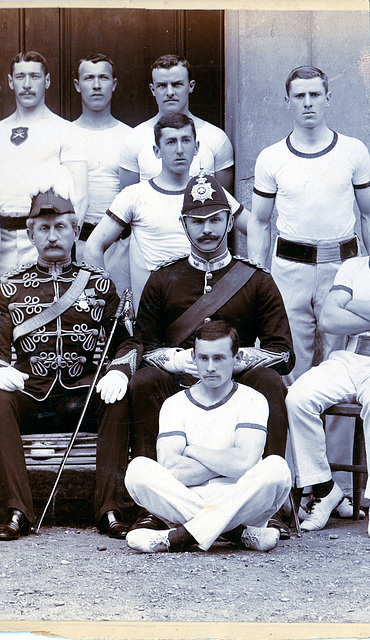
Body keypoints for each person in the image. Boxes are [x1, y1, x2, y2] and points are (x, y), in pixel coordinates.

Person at [127, 171, 295, 538]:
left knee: (270, 380)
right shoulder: (163, 278)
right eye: (197, 222)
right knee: (143, 382)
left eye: (216, 220)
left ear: (230, 221)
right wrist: (175, 359)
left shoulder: (256, 279)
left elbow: (283, 353)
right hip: (180, 380)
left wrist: (235, 362)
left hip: (237, 386)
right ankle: (153, 510)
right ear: (183, 224)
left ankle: (272, 506)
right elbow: (144, 345)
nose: (207, 230)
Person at [247, 65, 370, 513]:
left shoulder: (353, 151)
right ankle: (303, 484)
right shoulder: (271, 157)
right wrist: (259, 277)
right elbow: (259, 222)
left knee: (340, 369)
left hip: (341, 266)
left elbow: (368, 215)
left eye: (315, 94)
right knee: (293, 371)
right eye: (298, 95)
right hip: (289, 269)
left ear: (328, 98)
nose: (308, 103)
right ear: (287, 101)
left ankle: (336, 488)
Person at [0, 186, 142, 541]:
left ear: (76, 232)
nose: (52, 236)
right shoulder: (8, 287)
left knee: (119, 397)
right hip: (30, 394)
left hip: (81, 395)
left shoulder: (100, 284)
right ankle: (16, 509)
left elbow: (127, 339)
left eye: (61, 227)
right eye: (44, 228)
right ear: (30, 233)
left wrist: (120, 370)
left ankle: (110, 508)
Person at [125, 320, 291, 554]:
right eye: (203, 358)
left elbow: (245, 464)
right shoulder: (175, 404)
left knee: (276, 468)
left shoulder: (252, 400)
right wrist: (229, 463)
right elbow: (171, 468)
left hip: (240, 495)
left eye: (219, 358)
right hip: (188, 496)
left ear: (237, 358)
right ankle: (236, 533)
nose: (210, 367)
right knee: (138, 469)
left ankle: (178, 537)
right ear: (193, 357)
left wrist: (192, 451)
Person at [85, 114, 246, 311]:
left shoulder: (209, 192)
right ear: (157, 151)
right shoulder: (134, 195)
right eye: (170, 142)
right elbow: (93, 246)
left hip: (206, 305)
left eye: (186, 140)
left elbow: (255, 226)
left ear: (196, 148)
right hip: (155, 311)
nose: (179, 150)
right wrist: (106, 301)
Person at [286, 254, 370, 534]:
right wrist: (344, 308)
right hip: (350, 357)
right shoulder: (354, 267)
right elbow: (329, 319)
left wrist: (354, 305)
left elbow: (341, 312)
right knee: (297, 398)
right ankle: (325, 487)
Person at [0, 50, 88, 275]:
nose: (27, 84)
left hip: (46, 243)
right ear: (10, 82)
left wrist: (55, 241)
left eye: (35, 76)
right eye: (20, 77)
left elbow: (81, 197)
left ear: (47, 81)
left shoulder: (66, 131)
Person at [119, 54, 234, 192]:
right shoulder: (134, 138)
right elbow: (129, 199)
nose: (170, 92)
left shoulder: (216, 137)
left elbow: (222, 201)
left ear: (190, 86)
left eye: (177, 84)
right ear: (152, 90)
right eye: (162, 85)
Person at [73, 53, 132, 294]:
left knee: (120, 316)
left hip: (120, 246)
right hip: (75, 243)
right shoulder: (65, 134)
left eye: (103, 78)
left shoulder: (130, 136)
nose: (96, 85)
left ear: (114, 84)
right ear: (78, 85)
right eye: (89, 78)